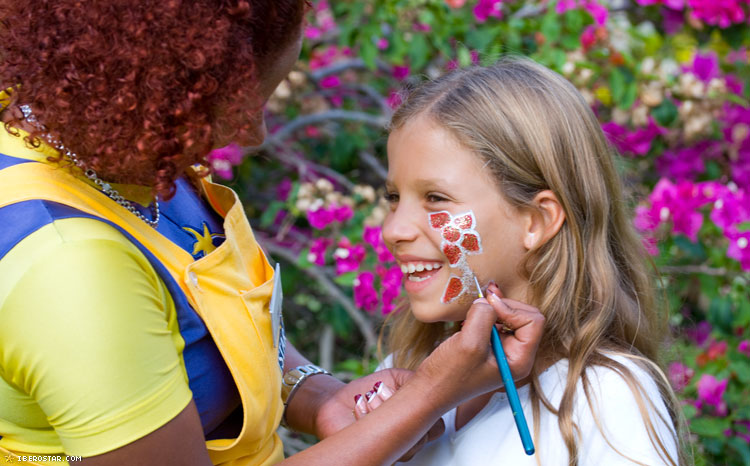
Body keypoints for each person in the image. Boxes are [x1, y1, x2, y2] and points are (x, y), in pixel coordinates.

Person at [0, 2, 547, 466]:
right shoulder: (69, 269)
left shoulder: (121, 142)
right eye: (246, 98)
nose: (255, 132)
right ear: (168, 81)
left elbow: (214, 321)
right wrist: (431, 394)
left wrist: (312, 391)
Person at [364, 57, 689, 465]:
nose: (393, 229)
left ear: (536, 221)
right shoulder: (402, 376)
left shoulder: (607, 399)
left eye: (435, 199)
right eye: (394, 198)